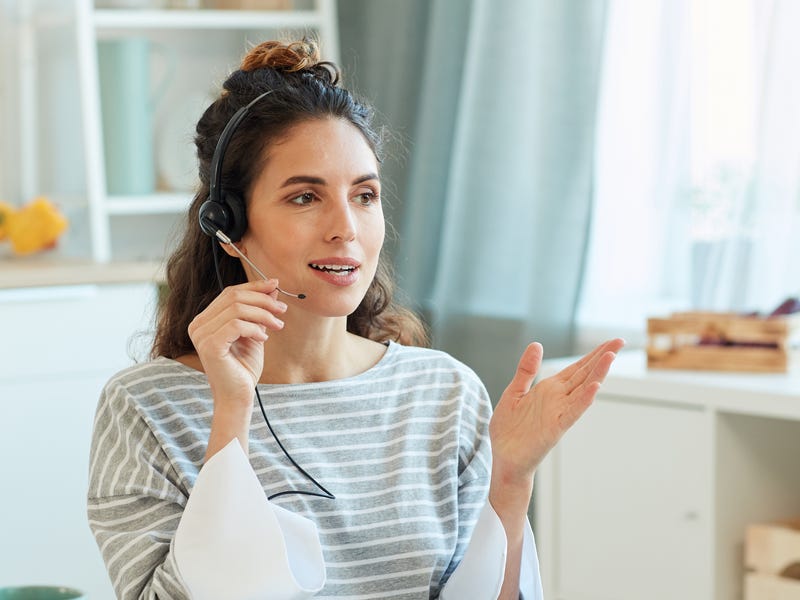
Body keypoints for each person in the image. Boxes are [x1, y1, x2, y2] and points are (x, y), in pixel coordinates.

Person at [87, 38, 624, 599]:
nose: (346, 227)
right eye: (304, 198)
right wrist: (231, 414)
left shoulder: (445, 393)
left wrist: (509, 482)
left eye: (364, 195)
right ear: (229, 224)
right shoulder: (146, 409)